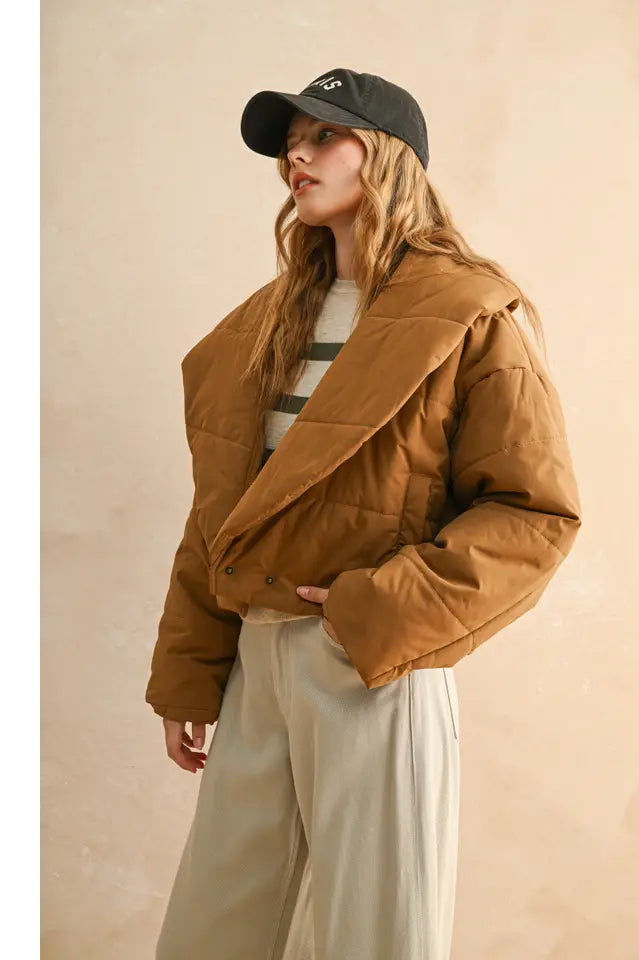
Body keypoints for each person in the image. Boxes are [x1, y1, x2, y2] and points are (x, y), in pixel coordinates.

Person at [146, 67, 582, 960]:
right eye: (289, 145)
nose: (296, 160)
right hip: (255, 666)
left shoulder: (467, 313)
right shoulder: (263, 327)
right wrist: (189, 673)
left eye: (322, 137)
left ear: (386, 156)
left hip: (374, 663)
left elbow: (534, 512)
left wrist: (372, 611)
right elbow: (219, 513)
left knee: (376, 936)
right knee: (215, 933)